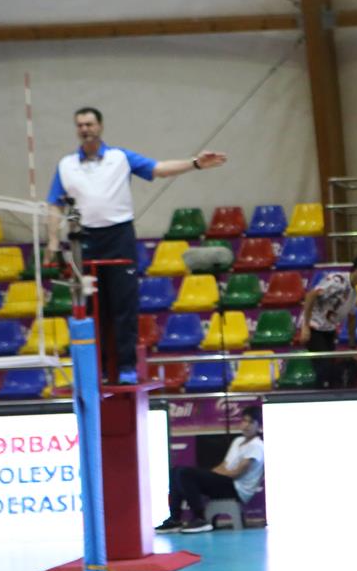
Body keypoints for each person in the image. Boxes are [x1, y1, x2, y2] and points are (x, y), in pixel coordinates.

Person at [45, 107, 226, 384]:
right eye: (80, 125)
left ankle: (126, 367)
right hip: (84, 241)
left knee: (124, 306)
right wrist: (53, 240)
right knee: (93, 308)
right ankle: (99, 369)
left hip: (119, 237)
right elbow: (54, 205)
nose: (85, 129)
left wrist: (196, 163)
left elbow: (159, 169)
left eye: (89, 124)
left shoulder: (120, 157)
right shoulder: (66, 165)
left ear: (100, 126)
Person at [156, 407, 264, 534]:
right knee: (175, 471)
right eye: (244, 421)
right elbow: (224, 465)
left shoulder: (256, 446)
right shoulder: (238, 441)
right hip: (226, 482)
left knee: (184, 473)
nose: (246, 425)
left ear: (259, 426)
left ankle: (200, 519)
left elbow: (236, 473)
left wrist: (211, 476)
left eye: (251, 422)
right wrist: (209, 475)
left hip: (236, 490)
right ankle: (175, 519)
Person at [297, 255, 357, 389]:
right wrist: (305, 326)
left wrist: (352, 347)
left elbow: (352, 319)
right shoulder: (338, 281)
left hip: (329, 331)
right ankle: (319, 396)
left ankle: (326, 394)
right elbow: (311, 295)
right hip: (314, 327)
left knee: (329, 370)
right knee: (324, 368)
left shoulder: (354, 294)